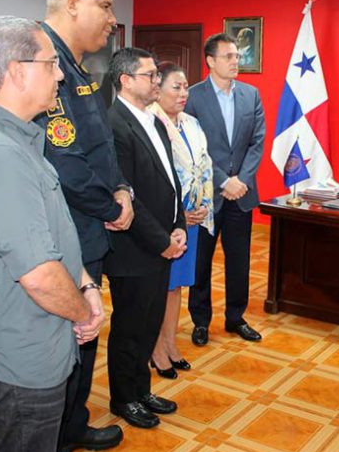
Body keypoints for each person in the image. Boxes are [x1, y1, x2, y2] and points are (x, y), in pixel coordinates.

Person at [0, 16, 104, 452]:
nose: (60, 75)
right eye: (51, 64)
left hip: (39, 342)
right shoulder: (2, 154)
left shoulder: (21, 139)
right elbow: (37, 275)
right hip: (22, 362)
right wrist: (84, 312)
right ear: (17, 72)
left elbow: (54, 235)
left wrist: (87, 283)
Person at [34, 0, 132, 452]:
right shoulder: (43, 65)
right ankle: (49, 447)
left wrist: (121, 187)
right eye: (106, 6)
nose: (113, 19)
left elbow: (100, 148)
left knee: (84, 339)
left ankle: (72, 427)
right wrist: (111, 205)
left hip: (90, 232)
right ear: (72, 4)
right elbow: (65, 163)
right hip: (66, 238)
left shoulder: (76, 68)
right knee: (66, 344)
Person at [106, 48, 186, 428]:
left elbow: (170, 180)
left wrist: (179, 223)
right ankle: (124, 398)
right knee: (129, 327)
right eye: (149, 75)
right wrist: (161, 240)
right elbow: (127, 195)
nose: (157, 81)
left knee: (149, 322)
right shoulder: (114, 125)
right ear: (125, 80)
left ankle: (141, 389)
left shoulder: (153, 120)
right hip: (134, 247)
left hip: (161, 242)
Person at [185, 32, 265, 346]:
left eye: (237, 56)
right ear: (210, 61)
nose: (235, 61)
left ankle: (235, 317)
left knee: (239, 260)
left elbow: (257, 141)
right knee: (201, 261)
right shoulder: (193, 97)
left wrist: (241, 180)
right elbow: (193, 147)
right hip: (207, 195)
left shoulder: (251, 95)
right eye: (228, 56)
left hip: (241, 194)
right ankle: (200, 321)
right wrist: (223, 180)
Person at [148, 62, 214, 378]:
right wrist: (178, 215)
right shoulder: (150, 123)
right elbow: (151, 180)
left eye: (186, 86)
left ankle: (171, 344)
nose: (183, 93)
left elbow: (204, 167)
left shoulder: (192, 123)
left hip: (192, 217)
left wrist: (202, 207)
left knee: (177, 286)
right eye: (176, 87)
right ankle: (156, 349)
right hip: (166, 218)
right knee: (160, 286)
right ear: (157, 89)